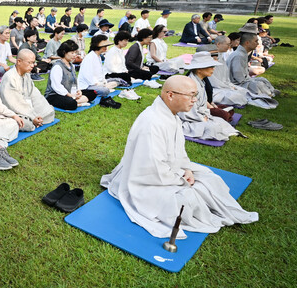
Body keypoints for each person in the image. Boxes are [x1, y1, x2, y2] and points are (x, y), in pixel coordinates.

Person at [100, 75, 258, 239]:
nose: (194, 101)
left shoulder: (170, 114)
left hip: (169, 170)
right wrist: (181, 178)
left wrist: (186, 169)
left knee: (211, 179)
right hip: (147, 180)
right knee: (188, 200)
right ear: (170, 95)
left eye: (195, 95)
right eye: (190, 95)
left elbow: (178, 150)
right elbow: (152, 169)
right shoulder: (152, 123)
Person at [178, 53, 242, 140]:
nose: (213, 69)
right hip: (189, 118)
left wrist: (206, 114)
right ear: (199, 69)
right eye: (210, 66)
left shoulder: (200, 81)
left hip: (200, 114)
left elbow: (202, 104)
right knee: (213, 128)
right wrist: (202, 118)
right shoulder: (190, 84)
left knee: (220, 122)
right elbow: (185, 111)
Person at [0, 49, 56, 131]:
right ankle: (32, 120)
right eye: (29, 63)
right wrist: (32, 116)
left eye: (33, 62)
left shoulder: (26, 75)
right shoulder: (10, 77)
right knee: (27, 124)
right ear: (19, 61)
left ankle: (34, 119)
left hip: (27, 106)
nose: (32, 65)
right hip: (12, 109)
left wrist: (37, 112)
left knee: (48, 113)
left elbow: (34, 94)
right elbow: (15, 103)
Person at [226, 32, 279, 102]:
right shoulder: (239, 55)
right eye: (256, 41)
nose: (257, 44)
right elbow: (239, 78)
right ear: (247, 43)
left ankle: (269, 92)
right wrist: (250, 80)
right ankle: (269, 93)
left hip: (244, 80)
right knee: (257, 84)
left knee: (262, 79)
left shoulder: (243, 53)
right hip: (236, 84)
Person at [45, 40, 95, 111]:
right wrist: (70, 95)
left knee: (93, 93)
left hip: (70, 93)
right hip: (55, 95)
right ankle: (77, 102)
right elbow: (56, 86)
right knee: (70, 103)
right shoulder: (57, 67)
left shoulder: (72, 66)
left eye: (75, 52)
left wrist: (78, 91)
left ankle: (77, 102)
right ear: (64, 53)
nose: (75, 55)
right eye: (72, 53)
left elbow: (74, 81)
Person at [202, 38, 249, 108]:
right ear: (218, 44)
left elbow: (225, 77)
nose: (229, 46)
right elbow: (213, 82)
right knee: (237, 96)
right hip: (216, 89)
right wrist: (227, 87)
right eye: (227, 44)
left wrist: (229, 85)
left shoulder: (220, 57)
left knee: (244, 91)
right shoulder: (206, 64)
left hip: (223, 86)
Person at [78, 36, 119, 101]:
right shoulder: (90, 57)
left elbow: (100, 73)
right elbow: (87, 76)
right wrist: (99, 84)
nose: (106, 48)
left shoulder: (98, 57)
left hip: (99, 82)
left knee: (117, 80)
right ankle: (105, 87)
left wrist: (103, 81)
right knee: (105, 91)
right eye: (104, 46)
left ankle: (106, 86)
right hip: (88, 85)